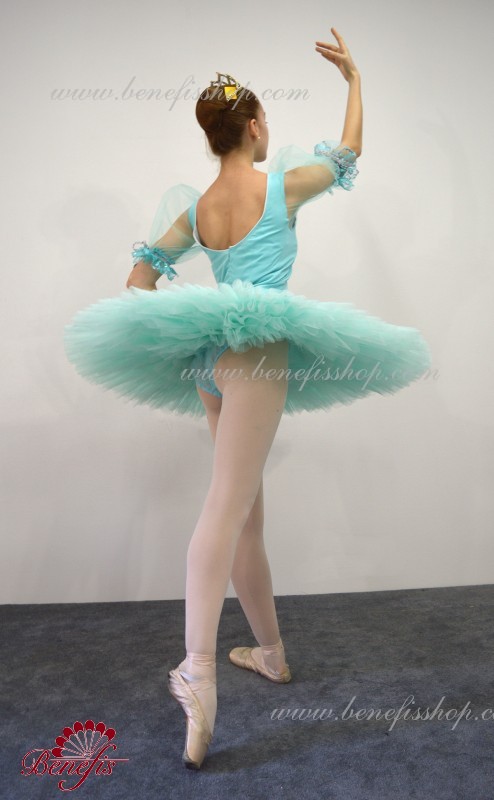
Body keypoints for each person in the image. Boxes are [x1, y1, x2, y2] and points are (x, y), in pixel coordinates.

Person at [63, 29, 431, 769]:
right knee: (227, 510)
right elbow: (349, 151)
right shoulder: (280, 186)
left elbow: (139, 281)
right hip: (258, 352)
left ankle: (270, 653)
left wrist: (185, 321)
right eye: (267, 123)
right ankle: (198, 672)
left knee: (246, 517)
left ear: (214, 135)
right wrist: (355, 79)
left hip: (209, 361)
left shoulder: (198, 208)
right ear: (256, 126)